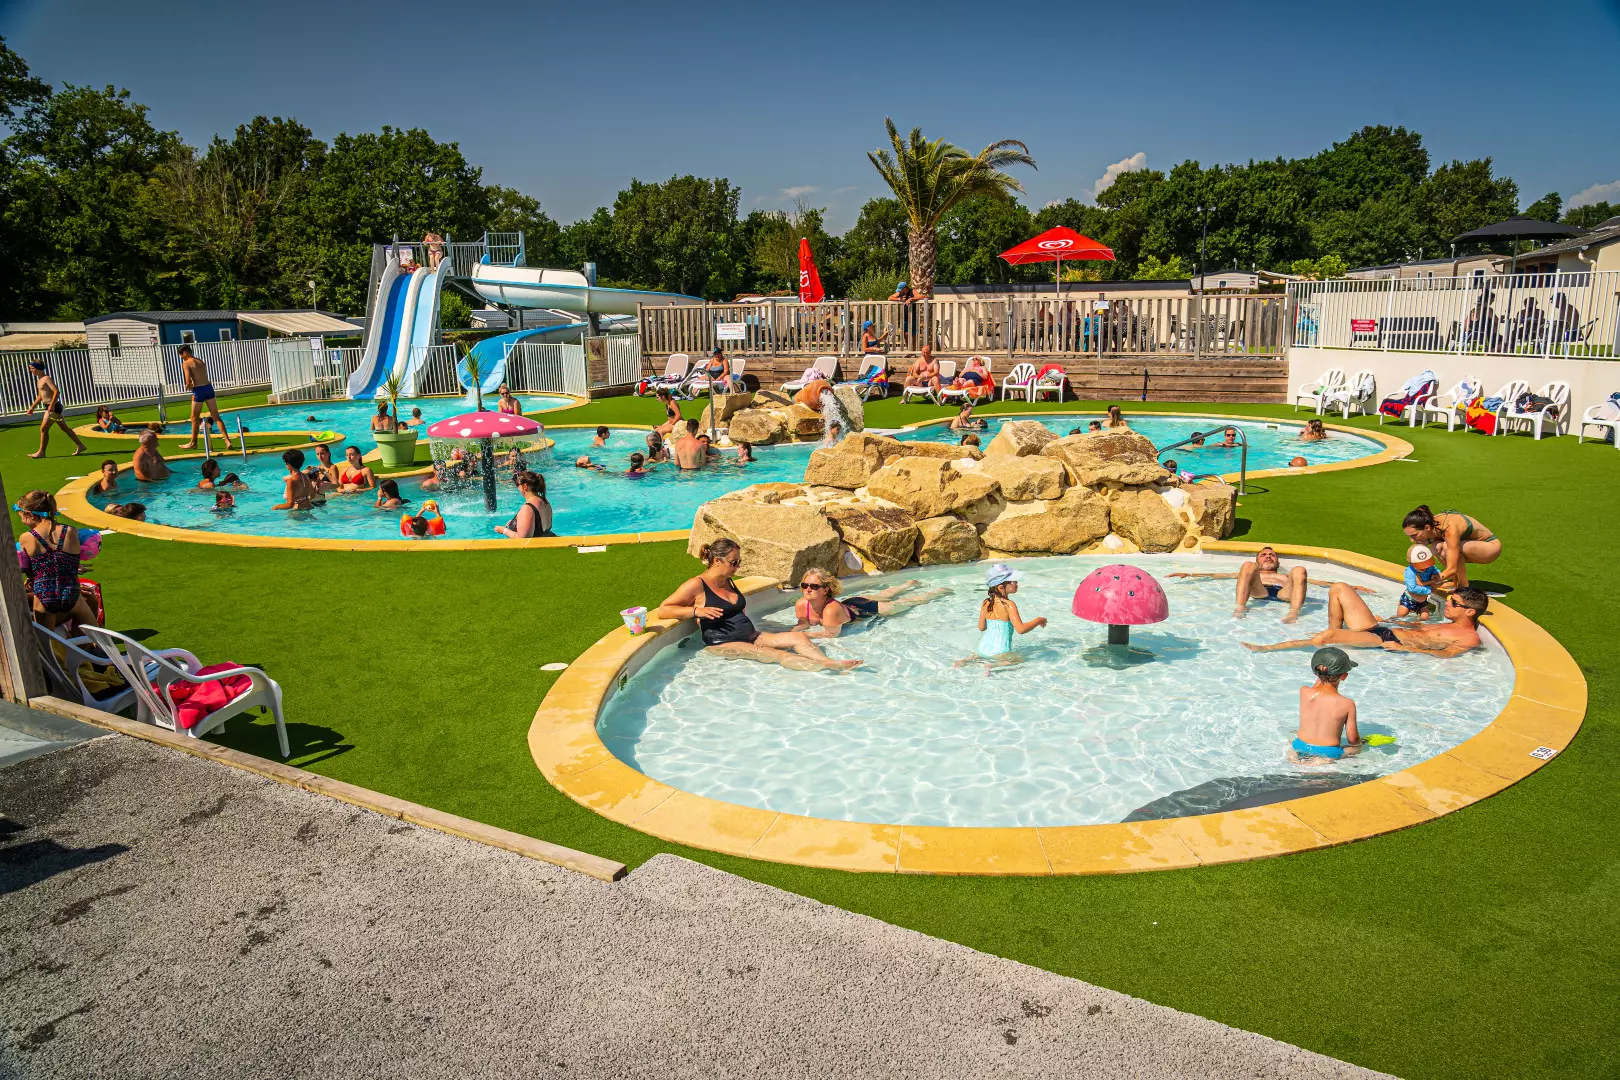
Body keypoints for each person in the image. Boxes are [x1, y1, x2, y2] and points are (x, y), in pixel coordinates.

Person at [654, 539, 859, 671]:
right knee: (779, 655)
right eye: (734, 562)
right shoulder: (697, 585)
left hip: (752, 635)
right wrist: (696, 611)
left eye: (739, 562)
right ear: (717, 560)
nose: (738, 566)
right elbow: (664, 609)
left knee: (799, 637)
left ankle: (826, 661)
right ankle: (824, 669)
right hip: (724, 643)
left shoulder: (728, 581)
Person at [1243, 584, 1488, 658]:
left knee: (1326, 638)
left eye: (1454, 603)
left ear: (1470, 612)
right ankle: (1337, 634)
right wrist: (1390, 620)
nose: (1448, 604)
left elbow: (1446, 655)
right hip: (1384, 628)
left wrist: (1405, 648)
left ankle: (1268, 648)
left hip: (1386, 640)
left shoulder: (1470, 638)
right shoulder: (1446, 624)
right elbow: (1416, 628)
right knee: (1339, 588)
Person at [1167, 545, 1371, 623]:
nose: (1268, 556)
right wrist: (1191, 574)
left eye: (1271, 555)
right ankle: (1240, 608)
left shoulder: (1285, 575)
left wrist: (1353, 587)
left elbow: (1320, 583)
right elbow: (1219, 575)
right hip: (1260, 591)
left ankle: (1293, 613)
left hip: (1285, 593)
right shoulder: (1252, 570)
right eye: (1264, 554)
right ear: (1259, 560)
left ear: (1277, 562)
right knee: (1246, 566)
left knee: (1299, 570)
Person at [15, 490, 96, 631]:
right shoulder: (71, 531)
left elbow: (28, 569)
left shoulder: (26, 537)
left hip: (44, 595)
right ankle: (97, 642)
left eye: (21, 515)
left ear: (29, 514)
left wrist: (29, 580)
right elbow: (71, 562)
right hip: (71, 592)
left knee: (45, 640)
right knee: (98, 635)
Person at [791, 568, 950, 639]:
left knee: (902, 603)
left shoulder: (830, 610)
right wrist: (792, 632)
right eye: (805, 585)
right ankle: (908, 584)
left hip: (863, 610)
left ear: (825, 590)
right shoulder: (801, 604)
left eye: (814, 586)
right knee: (883, 595)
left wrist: (802, 635)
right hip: (851, 603)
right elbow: (803, 623)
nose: (808, 589)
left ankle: (936, 592)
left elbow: (831, 634)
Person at [955, 563, 1046, 673]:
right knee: (1019, 660)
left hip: (983, 648)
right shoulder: (1009, 605)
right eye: (1012, 581)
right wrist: (1038, 620)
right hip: (1001, 652)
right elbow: (1021, 629)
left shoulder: (986, 603)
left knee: (976, 657)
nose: (1016, 583)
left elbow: (981, 627)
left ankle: (966, 661)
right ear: (1001, 587)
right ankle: (993, 665)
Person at [1290, 647, 1363, 763]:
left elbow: (1317, 686)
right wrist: (1361, 743)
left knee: (1295, 733)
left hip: (1299, 745)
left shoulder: (1304, 691)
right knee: (1357, 748)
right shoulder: (1347, 704)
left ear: (1316, 672)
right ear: (1344, 676)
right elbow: (1353, 739)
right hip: (1328, 753)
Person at [1402, 505, 1500, 589]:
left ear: (1427, 527)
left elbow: (1452, 568)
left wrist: (1437, 578)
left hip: (1490, 548)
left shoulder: (1449, 528)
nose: (1412, 540)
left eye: (1414, 535)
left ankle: (1463, 586)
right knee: (1436, 546)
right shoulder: (1431, 525)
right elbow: (1419, 548)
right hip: (1471, 545)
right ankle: (1455, 581)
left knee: (1446, 546)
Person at [24, 359, 88, 458]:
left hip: (54, 408)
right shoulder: (39, 380)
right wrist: (32, 407)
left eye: (32, 368)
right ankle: (81, 445)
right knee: (64, 428)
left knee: (43, 429)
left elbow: (56, 391)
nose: (31, 370)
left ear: (38, 368)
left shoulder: (46, 379)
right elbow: (40, 395)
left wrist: (52, 405)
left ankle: (41, 452)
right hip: (50, 407)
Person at [176, 344, 231, 451]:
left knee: (194, 418)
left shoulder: (186, 363)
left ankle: (193, 443)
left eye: (181, 354)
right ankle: (227, 440)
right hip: (209, 388)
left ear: (185, 353)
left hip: (199, 390)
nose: (181, 357)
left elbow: (188, 380)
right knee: (216, 416)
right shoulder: (200, 361)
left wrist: (188, 386)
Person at [493, 470, 553, 539]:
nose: (518, 488)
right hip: (545, 542)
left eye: (518, 485)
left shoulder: (528, 508)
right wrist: (514, 523)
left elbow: (522, 539)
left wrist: (504, 530)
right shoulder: (545, 501)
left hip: (533, 545)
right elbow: (538, 527)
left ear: (525, 486)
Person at [1396, 544, 1442, 620]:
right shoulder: (1410, 572)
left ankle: (1416, 625)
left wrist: (1438, 574)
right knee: (1401, 615)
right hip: (1409, 598)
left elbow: (1435, 570)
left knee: (1425, 617)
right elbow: (1412, 588)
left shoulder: (1429, 567)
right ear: (1411, 563)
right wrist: (1429, 589)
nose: (1424, 567)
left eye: (1426, 564)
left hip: (1422, 600)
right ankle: (1386, 621)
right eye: (1421, 565)